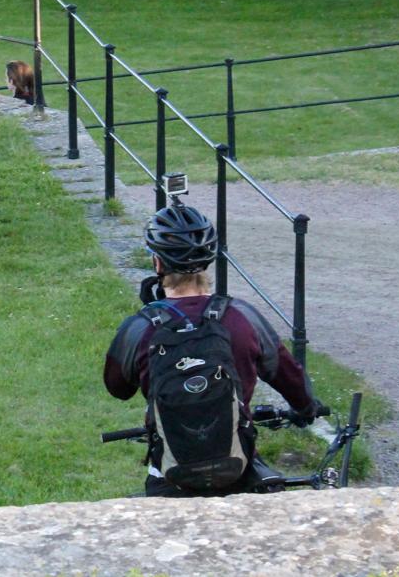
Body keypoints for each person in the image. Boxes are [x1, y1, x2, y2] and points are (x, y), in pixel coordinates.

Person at [103, 201, 324, 497]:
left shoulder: (141, 328)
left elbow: (117, 387)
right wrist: (305, 408)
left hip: (169, 474)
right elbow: (289, 376)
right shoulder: (243, 318)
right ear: (209, 259)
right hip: (238, 468)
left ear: (157, 263)